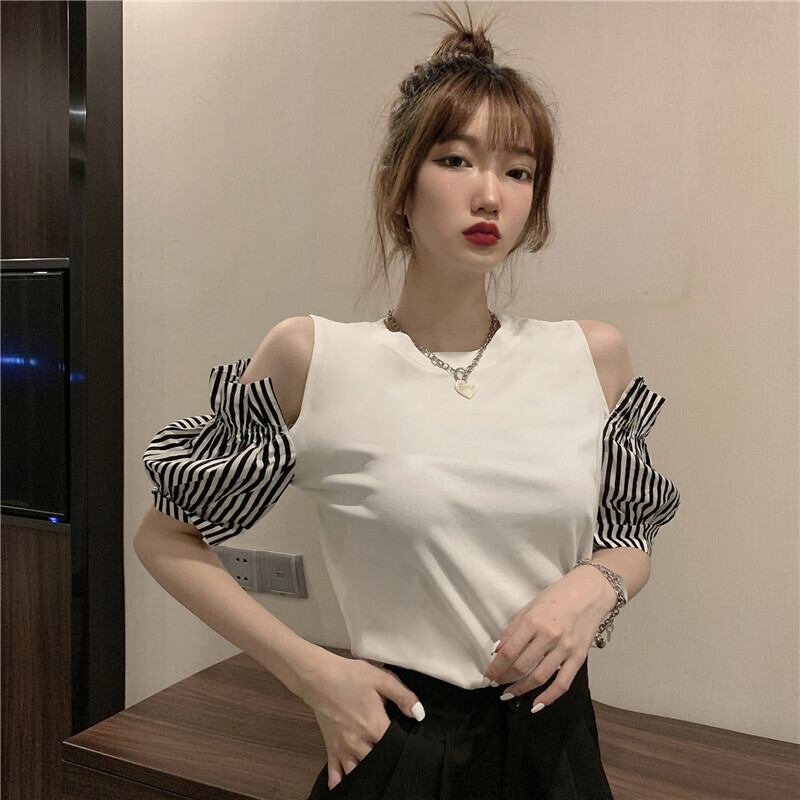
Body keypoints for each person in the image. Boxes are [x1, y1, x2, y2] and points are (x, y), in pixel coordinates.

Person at [136, 3, 682, 798]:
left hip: (557, 745)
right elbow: (165, 538)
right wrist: (314, 673)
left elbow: (630, 534)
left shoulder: (590, 357)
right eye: (457, 160)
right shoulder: (313, 358)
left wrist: (594, 586)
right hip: (404, 742)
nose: (490, 195)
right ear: (400, 185)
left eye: (519, 171)